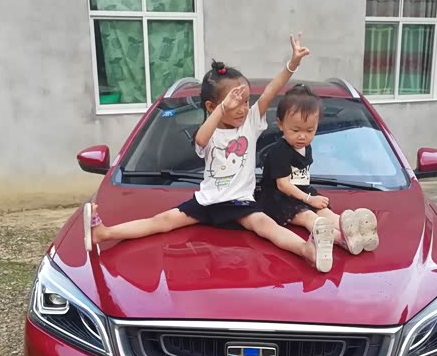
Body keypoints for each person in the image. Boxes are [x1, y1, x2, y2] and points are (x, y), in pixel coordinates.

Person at [84, 33, 335, 272]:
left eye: (245, 101)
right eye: (235, 103)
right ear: (212, 106)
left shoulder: (249, 124)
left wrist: (292, 64)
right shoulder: (209, 132)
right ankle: (103, 233)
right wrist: (223, 108)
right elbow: (201, 138)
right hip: (208, 201)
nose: (242, 108)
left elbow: (271, 91)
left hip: (240, 202)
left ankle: (307, 250)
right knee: (161, 221)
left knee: (266, 226)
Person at [258, 84, 379, 255]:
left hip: (302, 193)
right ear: (280, 124)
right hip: (279, 199)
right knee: (310, 217)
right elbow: (283, 185)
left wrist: (311, 199)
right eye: (295, 130)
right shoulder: (280, 151)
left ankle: (357, 231)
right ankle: (342, 240)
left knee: (325, 212)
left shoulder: (305, 146)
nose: (302, 136)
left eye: (310, 130)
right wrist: (309, 199)